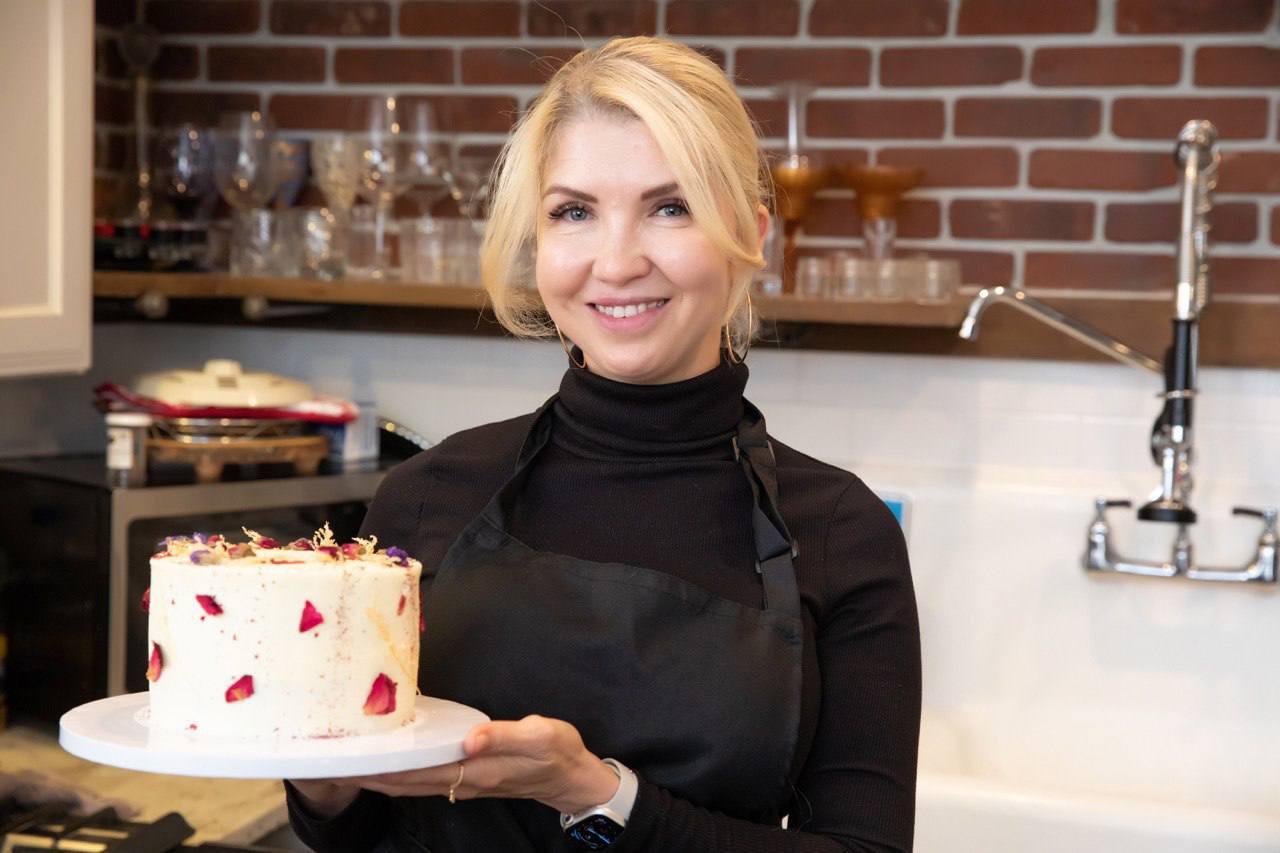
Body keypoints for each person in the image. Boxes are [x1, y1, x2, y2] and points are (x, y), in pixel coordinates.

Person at [286, 36, 921, 853]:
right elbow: (356, 828)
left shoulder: (839, 530)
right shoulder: (425, 493)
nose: (616, 263)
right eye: (574, 212)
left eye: (670, 207)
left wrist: (598, 796)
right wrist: (320, 778)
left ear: (752, 234)